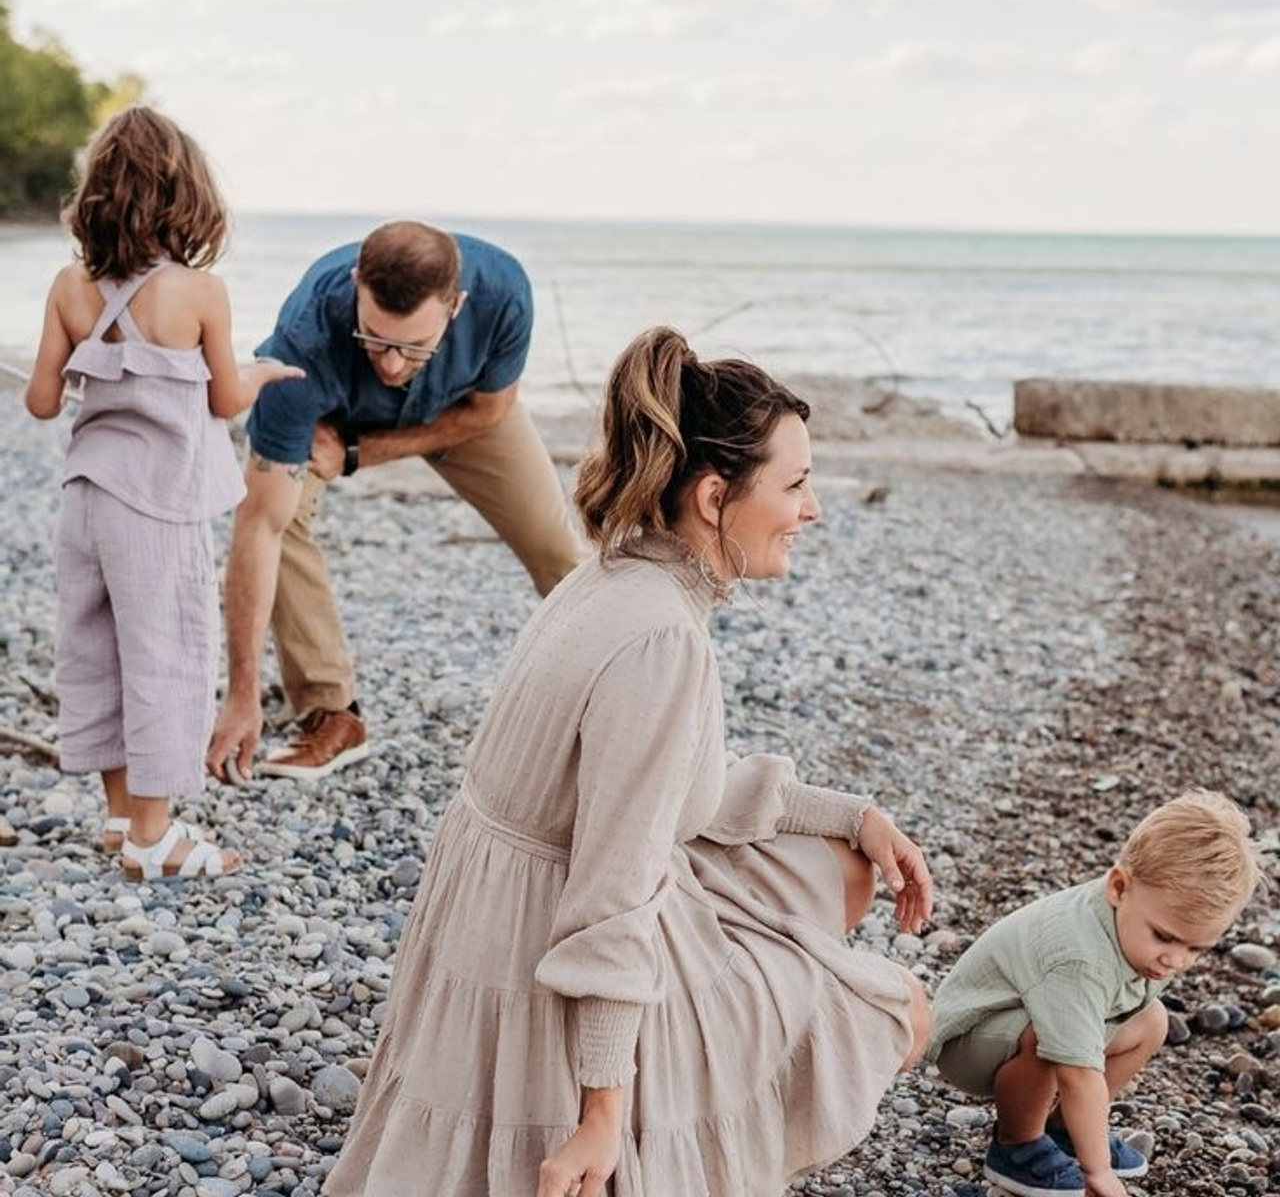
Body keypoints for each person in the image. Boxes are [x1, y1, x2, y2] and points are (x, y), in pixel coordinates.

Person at [322, 326, 934, 1197]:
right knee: (897, 1012)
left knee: (843, 869)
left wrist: (855, 819)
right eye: (796, 484)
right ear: (716, 497)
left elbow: (682, 783)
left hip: (501, 898)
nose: (814, 509)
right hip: (543, 935)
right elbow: (612, 895)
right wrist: (603, 1112)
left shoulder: (614, 572)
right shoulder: (659, 639)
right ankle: (669, 1128)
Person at [25, 105, 303, 880]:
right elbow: (223, 402)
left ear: (97, 197)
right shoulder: (199, 293)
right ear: (185, 196)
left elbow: (43, 403)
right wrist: (259, 374)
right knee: (166, 655)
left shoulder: (69, 288)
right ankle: (154, 837)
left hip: (86, 500)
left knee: (98, 650)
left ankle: (121, 817)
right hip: (158, 505)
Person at [205, 220, 582, 782]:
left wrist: (359, 452)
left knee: (556, 544)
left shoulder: (504, 294)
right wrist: (241, 695)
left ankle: (614, 683)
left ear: (455, 306)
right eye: (375, 340)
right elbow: (259, 527)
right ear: (357, 283)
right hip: (331, 413)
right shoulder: (301, 345)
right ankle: (331, 713)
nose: (390, 365)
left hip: (461, 413)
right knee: (280, 522)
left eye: (412, 347)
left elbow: (489, 411)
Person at [927, 788, 1263, 1197]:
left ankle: (1064, 1128)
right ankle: (1016, 1145)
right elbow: (1078, 1071)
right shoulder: (1079, 959)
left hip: (1028, 1017)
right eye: (1165, 937)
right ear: (1118, 887)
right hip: (967, 1042)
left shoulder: (1136, 916)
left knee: (1152, 1020)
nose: (1177, 960)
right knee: (1051, 1042)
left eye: (1196, 948)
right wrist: (1099, 1173)